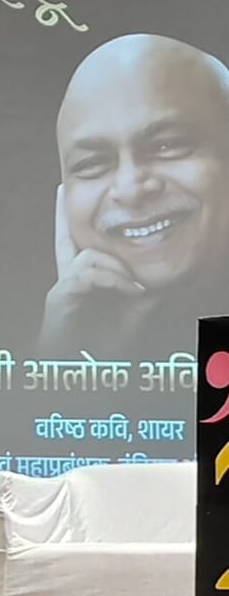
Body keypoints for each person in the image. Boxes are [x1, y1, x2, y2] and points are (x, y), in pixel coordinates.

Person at [40, 33, 229, 357]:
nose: (130, 190)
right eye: (92, 164)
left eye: (167, 145)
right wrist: (61, 362)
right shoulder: (67, 337)